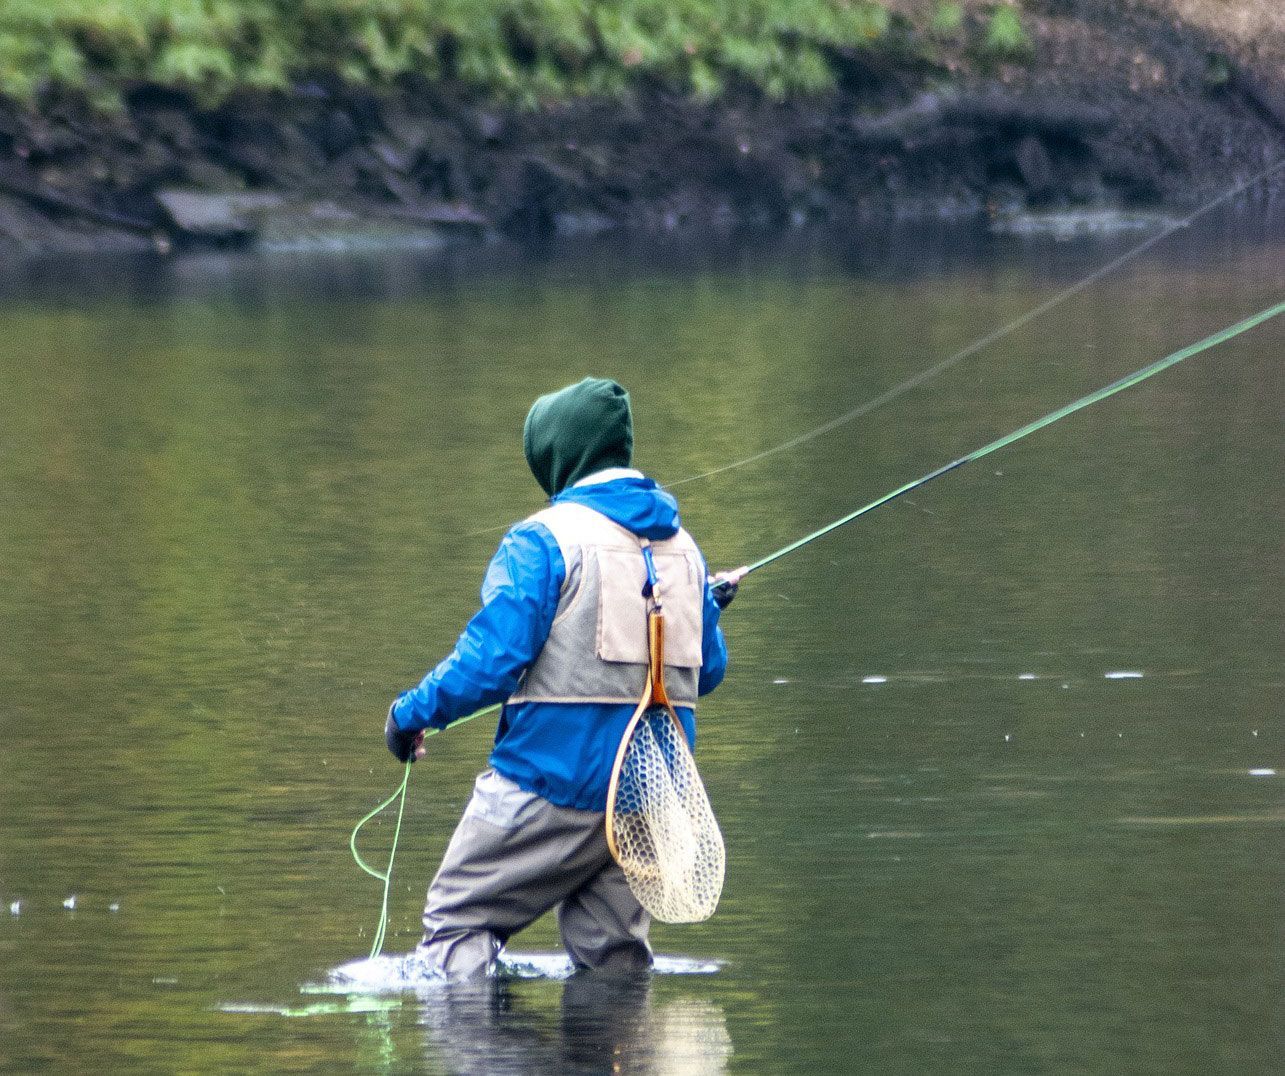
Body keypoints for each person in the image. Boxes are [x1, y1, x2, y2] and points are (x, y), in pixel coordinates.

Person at [384, 377, 738, 980]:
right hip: (647, 804)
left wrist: (410, 714)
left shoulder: (542, 540)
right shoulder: (687, 550)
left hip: (548, 786)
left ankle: (489, 1054)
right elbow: (707, 674)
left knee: (457, 925)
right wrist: (701, 604)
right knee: (614, 965)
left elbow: (489, 664)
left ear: (556, 458)